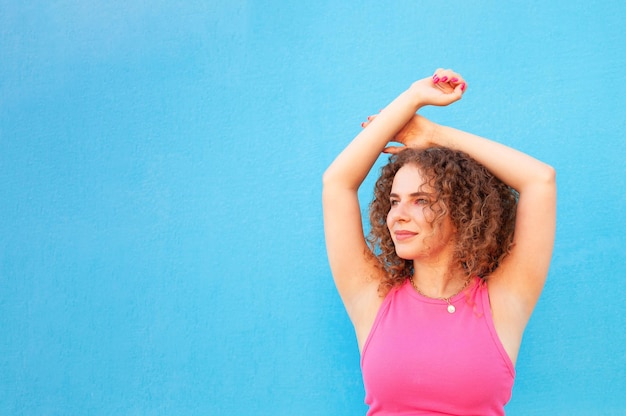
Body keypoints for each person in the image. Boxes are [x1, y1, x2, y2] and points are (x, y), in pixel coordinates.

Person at [322, 68, 556, 415]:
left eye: (421, 200)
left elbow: (540, 180)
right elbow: (336, 183)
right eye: (394, 201)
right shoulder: (373, 297)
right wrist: (412, 97)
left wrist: (433, 133)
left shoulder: (502, 302)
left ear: (462, 212)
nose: (398, 215)